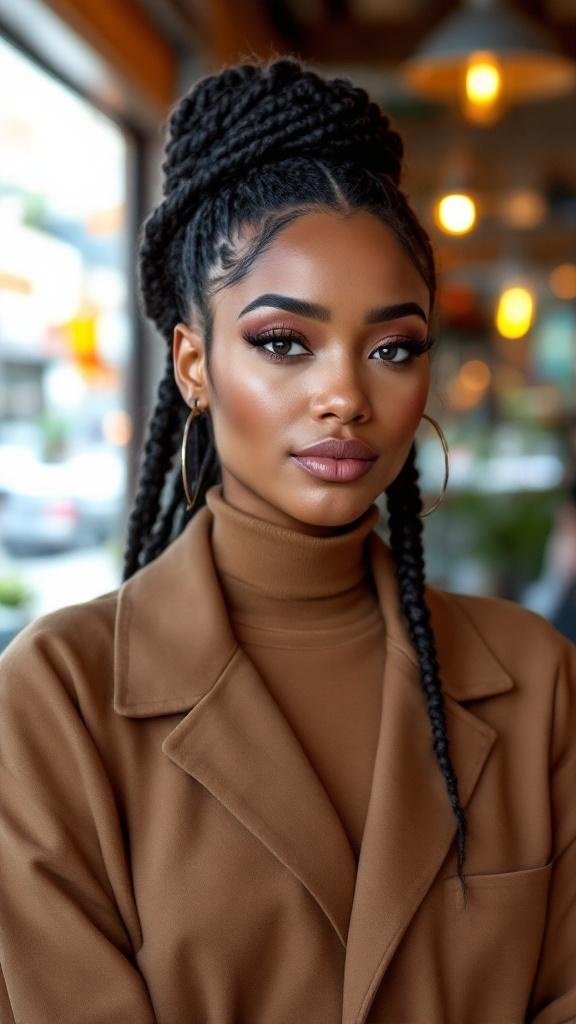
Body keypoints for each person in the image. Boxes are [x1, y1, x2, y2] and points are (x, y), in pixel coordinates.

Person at [0, 57, 574, 1024]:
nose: (345, 394)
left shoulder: (539, 683)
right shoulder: (56, 700)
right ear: (193, 363)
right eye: (282, 342)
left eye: (393, 348)